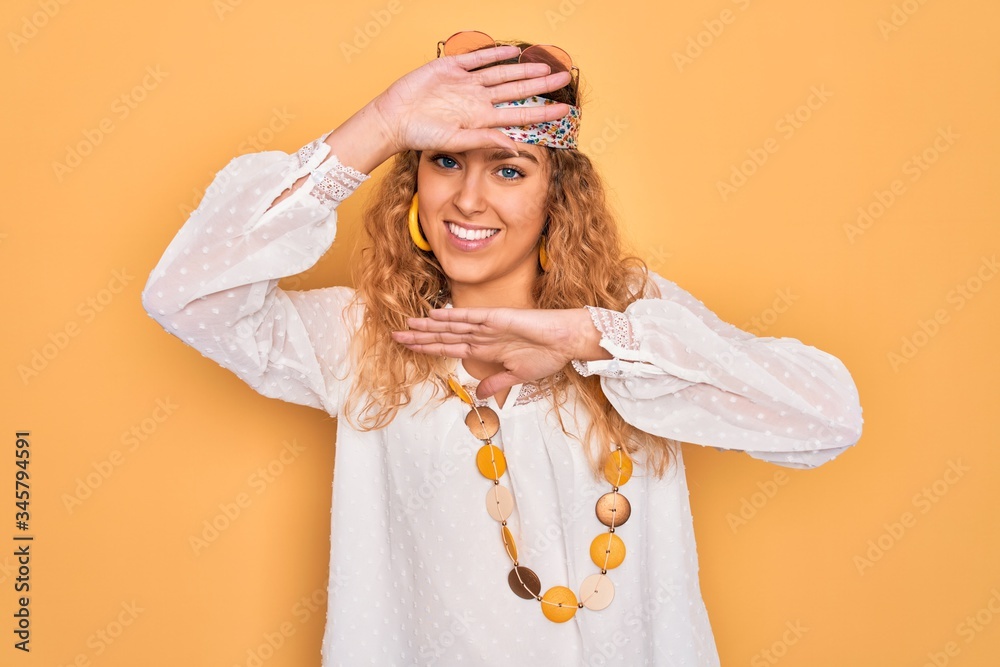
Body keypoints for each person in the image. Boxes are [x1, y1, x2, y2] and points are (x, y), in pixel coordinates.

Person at [143, 31, 863, 667]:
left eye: (510, 169)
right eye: (446, 162)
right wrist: (381, 125)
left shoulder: (634, 321)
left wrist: (591, 339)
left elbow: (828, 416)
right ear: (413, 181)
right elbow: (186, 291)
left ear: (558, 196)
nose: (468, 200)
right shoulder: (364, 336)